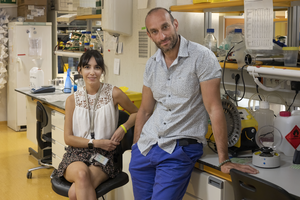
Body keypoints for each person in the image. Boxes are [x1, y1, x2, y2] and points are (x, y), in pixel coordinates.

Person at [129, 7, 259, 200]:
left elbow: (215, 109)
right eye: (155, 31)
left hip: (178, 148)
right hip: (146, 147)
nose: (162, 35)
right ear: (149, 35)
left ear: (175, 24)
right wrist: (135, 147)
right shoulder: (152, 64)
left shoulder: (202, 57)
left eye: (165, 27)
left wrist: (224, 159)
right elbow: (146, 110)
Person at [55, 50, 138, 200]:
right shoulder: (72, 100)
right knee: (81, 174)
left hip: (103, 156)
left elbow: (137, 113)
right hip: (76, 154)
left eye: (97, 67)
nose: (92, 72)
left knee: (75, 193)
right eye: (87, 67)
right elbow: (68, 138)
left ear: (102, 71)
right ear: (80, 69)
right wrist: (96, 142)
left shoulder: (114, 93)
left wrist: (123, 127)